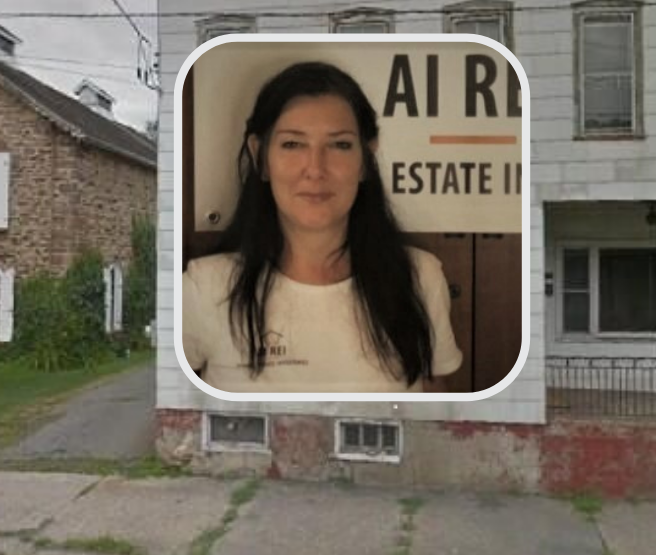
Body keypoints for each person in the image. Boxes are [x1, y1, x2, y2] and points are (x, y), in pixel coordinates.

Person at [182, 61, 463, 393]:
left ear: (365, 159)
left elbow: (436, 416)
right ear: (261, 156)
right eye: (292, 144)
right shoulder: (204, 289)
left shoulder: (419, 276)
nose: (315, 169)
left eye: (340, 145)